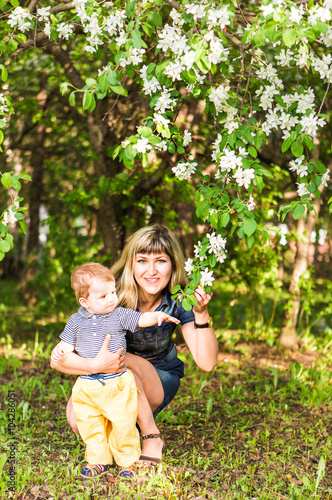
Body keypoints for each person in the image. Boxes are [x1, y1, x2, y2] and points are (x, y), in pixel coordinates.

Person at [51, 225, 218, 466]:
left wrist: (201, 313)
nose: (151, 271)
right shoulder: (110, 292)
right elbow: (63, 358)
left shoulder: (181, 297)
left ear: (173, 265)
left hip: (157, 377)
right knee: (78, 422)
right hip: (109, 374)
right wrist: (95, 364)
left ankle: (151, 436)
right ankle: (121, 432)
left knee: (122, 360)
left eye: (160, 261)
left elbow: (207, 363)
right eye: (142, 261)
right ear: (131, 263)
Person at [51, 262, 180, 478]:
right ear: (85, 301)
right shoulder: (75, 321)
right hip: (88, 384)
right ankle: (98, 460)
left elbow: (140, 319)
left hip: (117, 380)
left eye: (113, 292)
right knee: (90, 424)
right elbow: (67, 345)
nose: (111, 298)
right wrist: (60, 349)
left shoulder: (118, 314)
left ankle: (127, 461)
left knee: (123, 422)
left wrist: (157, 317)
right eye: (103, 296)